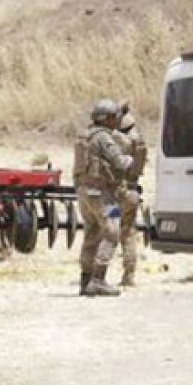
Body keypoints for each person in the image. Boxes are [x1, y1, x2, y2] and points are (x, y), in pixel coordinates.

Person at [72, 99, 134, 297]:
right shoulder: (103, 138)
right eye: (114, 117)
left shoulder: (85, 136)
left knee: (91, 233)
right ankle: (98, 279)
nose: (117, 120)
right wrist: (131, 159)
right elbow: (121, 162)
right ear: (107, 119)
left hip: (84, 193)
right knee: (112, 231)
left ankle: (85, 280)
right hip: (104, 196)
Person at [112, 108, 147, 287]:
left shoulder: (117, 139)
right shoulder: (139, 141)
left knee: (107, 231)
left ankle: (96, 274)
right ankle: (129, 275)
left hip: (117, 191)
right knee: (128, 233)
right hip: (133, 191)